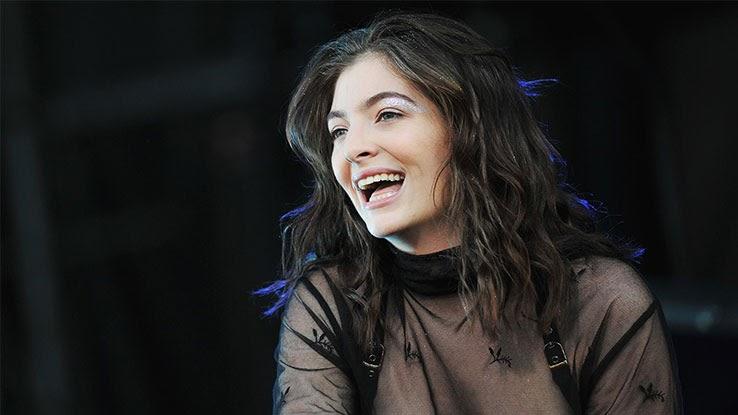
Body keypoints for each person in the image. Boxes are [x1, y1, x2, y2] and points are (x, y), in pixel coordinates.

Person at [256, 11, 682, 414]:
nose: (353, 149)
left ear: (473, 131)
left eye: (388, 114)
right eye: (339, 131)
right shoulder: (331, 301)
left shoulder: (602, 300)